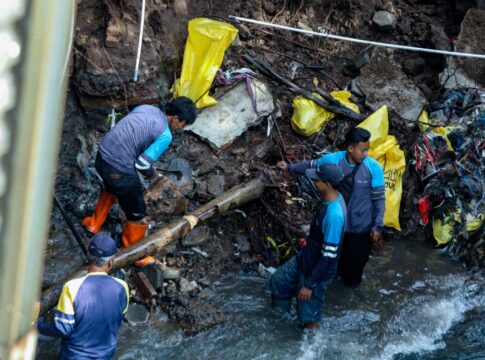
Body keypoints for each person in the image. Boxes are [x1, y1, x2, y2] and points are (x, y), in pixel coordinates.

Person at [82, 97, 197, 266]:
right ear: (176, 118)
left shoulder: (146, 108)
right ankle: (133, 252)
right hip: (118, 169)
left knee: (110, 188)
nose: (182, 128)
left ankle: (93, 224)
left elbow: (132, 135)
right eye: (183, 124)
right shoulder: (165, 135)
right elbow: (142, 164)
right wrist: (152, 174)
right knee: (137, 210)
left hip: (102, 157)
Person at [277, 127, 385, 286]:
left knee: (353, 274)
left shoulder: (373, 168)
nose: (366, 154)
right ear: (350, 148)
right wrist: (289, 167)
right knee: (331, 267)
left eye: (367, 150)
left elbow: (379, 199)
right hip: (336, 227)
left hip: (360, 229)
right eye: (362, 150)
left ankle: (348, 302)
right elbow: (311, 165)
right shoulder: (333, 161)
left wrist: (377, 225)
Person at [269, 163, 347, 329]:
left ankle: (308, 345)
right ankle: (279, 326)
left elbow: (328, 257)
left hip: (316, 270)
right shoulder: (330, 199)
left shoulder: (334, 215)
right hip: (306, 257)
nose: (314, 182)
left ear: (327, 184)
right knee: (279, 282)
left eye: (317, 180)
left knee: (308, 316)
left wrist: (310, 285)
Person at [37, 233, 129, 359]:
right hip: (105, 355)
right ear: (111, 262)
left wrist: (38, 326)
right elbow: (118, 318)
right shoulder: (122, 287)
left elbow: (63, 329)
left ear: (88, 256)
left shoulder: (72, 287)